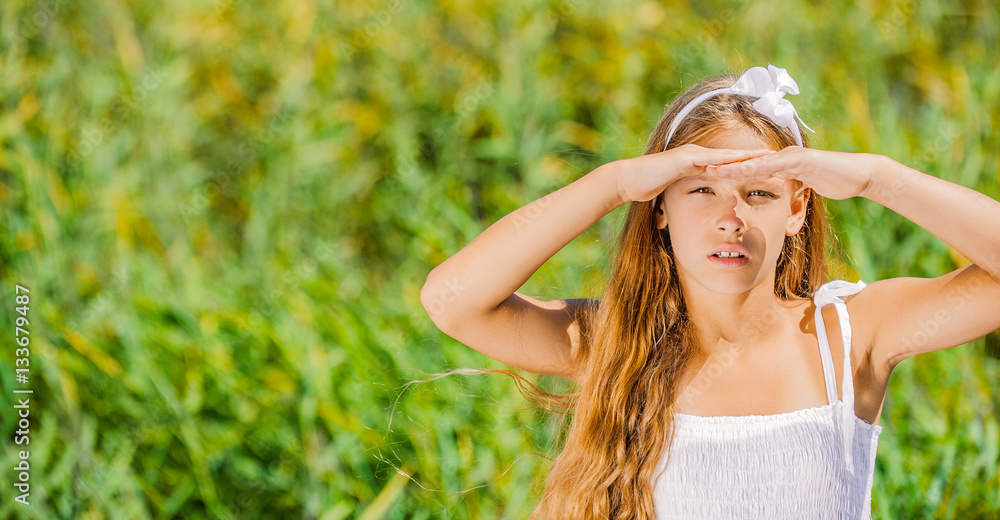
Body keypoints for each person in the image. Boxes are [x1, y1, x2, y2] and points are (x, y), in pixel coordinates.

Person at [418, 64, 1000, 519]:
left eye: (761, 194)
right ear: (661, 208)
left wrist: (876, 177)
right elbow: (452, 301)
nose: (731, 217)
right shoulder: (614, 345)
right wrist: (615, 182)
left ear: (798, 209)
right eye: (700, 191)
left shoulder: (847, 336)